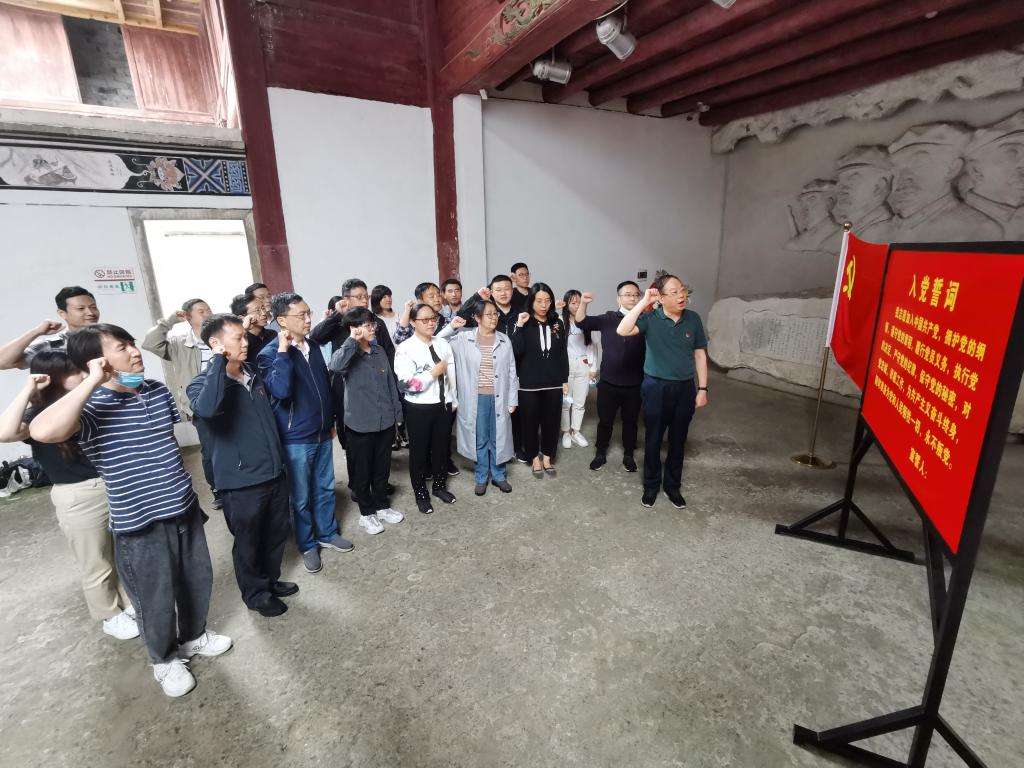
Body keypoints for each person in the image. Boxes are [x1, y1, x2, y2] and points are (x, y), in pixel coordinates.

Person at [29, 324, 232, 698]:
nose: (135, 351)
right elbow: (43, 431)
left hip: (182, 505)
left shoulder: (155, 390)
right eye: (122, 347)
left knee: (196, 578)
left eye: (132, 344)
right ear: (97, 361)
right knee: (154, 596)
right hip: (139, 519)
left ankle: (193, 636)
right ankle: (164, 660)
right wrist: (92, 380)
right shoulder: (89, 407)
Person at [0, 351, 138, 641]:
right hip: (79, 496)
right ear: (56, 379)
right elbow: (5, 432)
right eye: (76, 372)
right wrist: (28, 389)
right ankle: (109, 615)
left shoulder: (91, 402)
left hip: (114, 485)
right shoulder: (42, 417)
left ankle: (127, 603)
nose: (85, 375)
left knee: (122, 552)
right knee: (96, 561)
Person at [187, 314, 294, 618]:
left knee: (275, 533)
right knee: (249, 541)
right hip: (241, 482)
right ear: (216, 343)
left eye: (245, 336)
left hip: (273, 471)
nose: (245, 343)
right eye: (238, 338)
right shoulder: (201, 385)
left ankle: (270, 581)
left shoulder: (251, 373)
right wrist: (218, 363)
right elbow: (208, 409)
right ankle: (256, 594)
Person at [257, 293, 352, 575]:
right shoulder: (269, 354)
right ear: (282, 320)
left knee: (325, 488)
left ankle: (327, 533)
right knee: (300, 497)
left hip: (321, 431)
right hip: (295, 438)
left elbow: (324, 386)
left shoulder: (313, 346)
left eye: (309, 313)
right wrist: (284, 351)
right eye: (301, 315)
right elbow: (281, 390)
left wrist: (330, 420)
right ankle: (307, 544)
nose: (308, 319)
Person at [617, 276, 709, 509]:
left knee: (678, 439)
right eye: (674, 292)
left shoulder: (693, 319)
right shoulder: (650, 318)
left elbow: (700, 354)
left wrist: (702, 388)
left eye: (683, 290)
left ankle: (672, 486)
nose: (682, 295)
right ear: (661, 297)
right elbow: (622, 329)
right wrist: (644, 301)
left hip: (685, 388)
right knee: (654, 438)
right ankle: (651, 486)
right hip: (655, 387)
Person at [309, 278, 399, 494]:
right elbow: (315, 337)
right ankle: (358, 485)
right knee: (354, 440)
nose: (364, 300)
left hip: (376, 383)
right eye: (359, 297)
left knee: (379, 436)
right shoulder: (340, 322)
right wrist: (336, 315)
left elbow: (388, 351)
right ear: (346, 299)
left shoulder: (375, 323)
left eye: (366, 296)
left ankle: (380, 482)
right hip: (347, 387)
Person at [329, 307, 406, 535]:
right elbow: (335, 366)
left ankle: (382, 506)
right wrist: (352, 341)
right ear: (354, 328)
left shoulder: (378, 350)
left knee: (382, 468)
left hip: (384, 420)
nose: (373, 328)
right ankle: (367, 513)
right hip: (360, 423)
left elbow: (390, 383)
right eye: (368, 325)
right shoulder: (348, 352)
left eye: (373, 324)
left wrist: (397, 414)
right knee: (363, 471)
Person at [141, 298, 218, 506]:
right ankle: (217, 489)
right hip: (200, 405)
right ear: (188, 317)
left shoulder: (220, 338)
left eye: (209, 309)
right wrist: (169, 321)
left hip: (227, 400)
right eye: (201, 311)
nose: (208, 313)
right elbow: (150, 343)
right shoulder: (180, 344)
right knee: (211, 450)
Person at [575, 281, 646, 472]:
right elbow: (581, 322)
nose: (633, 298)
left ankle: (629, 454)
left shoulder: (645, 320)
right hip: (609, 382)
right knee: (605, 420)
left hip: (635, 382)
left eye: (636, 294)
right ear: (618, 298)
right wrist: (583, 303)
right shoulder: (608, 318)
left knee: (631, 422)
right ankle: (600, 453)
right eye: (628, 294)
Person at [394, 303, 457, 514]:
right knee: (419, 453)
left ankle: (439, 487)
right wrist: (432, 373)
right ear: (413, 322)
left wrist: (453, 399)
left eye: (433, 318)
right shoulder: (405, 349)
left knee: (441, 449)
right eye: (425, 320)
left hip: (443, 405)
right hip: (419, 408)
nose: (431, 323)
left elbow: (452, 375)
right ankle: (421, 493)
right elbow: (407, 384)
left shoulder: (442, 343)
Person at [450, 300, 517, 496]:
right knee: (479, 439)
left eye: (495, 314)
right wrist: (452, 327)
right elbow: (437, 339)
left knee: (498, 438)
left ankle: (498, 475)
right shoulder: (463, 339)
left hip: (499, 397)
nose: (494, 317)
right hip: (475, 399)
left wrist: (513, 399)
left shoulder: (504, 340)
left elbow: (512, 371)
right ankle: (481, 477)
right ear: (477, 318)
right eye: (489, 314)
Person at [511, 283, 569, 478]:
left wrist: (564, 378)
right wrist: (519, 326)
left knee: (551, 421)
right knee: (529, 422)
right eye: (539, 301)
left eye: (547, 301)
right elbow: (516, 350)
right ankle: (534, 457)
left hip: (553, 381)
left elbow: (562, 353)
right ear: (531, 302)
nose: (543, 305)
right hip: (529, 383)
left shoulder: (557, 323)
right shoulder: (524, 321)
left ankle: (547, 457)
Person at [0, 286, 100, 370]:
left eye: (93, 307)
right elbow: (2, 362)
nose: (90, 313)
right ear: (62, 313)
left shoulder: (108, 339)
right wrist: (36, 332)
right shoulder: (52, 345)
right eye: (81, 308)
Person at [560, 290, 599, 451]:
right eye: (573, 303)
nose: (576, 306)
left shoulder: (587, 322)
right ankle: (566, 432)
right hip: (565, 365)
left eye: (578, 302)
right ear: (566, 304)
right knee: (565, 402)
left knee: (579, 401)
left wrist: (593, 367)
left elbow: (594, 346)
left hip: (583, 364)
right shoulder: (560, 321)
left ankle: (576, 431)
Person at [230, 292, 277, 362]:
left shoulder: (273, 334)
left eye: (263, 308)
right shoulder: (242, 343)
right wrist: (244, 329)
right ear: (242, 318)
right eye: (257, 310)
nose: (264, 313)